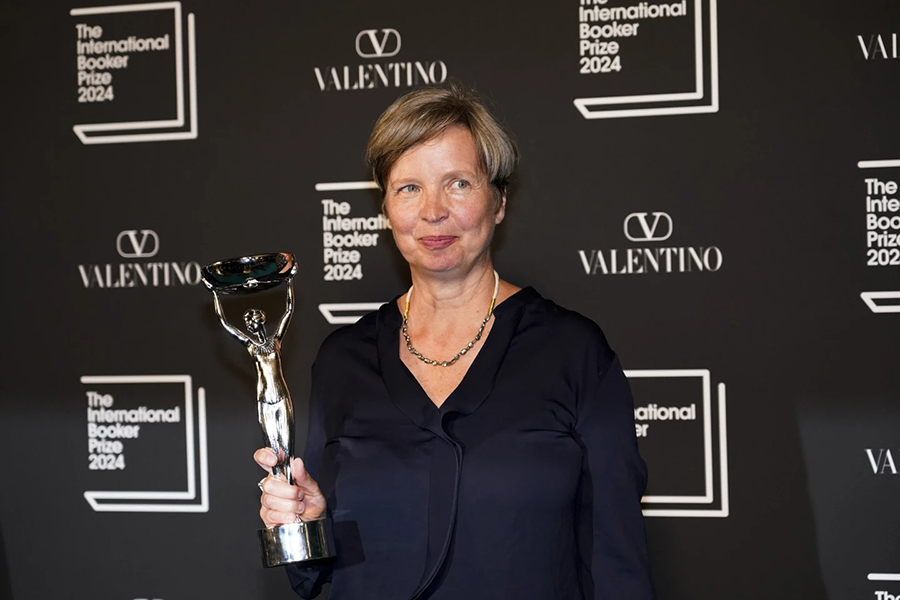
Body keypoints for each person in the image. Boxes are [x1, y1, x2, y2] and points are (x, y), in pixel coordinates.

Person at [254, 82, 654, 599]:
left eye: (459, 183)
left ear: (499, 201)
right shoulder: (342, 359)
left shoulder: (573, 352)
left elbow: (618, 562)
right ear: (386, 209)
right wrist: (303, 521)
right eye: (409, 188)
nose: (433, 211)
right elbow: (313, 574)